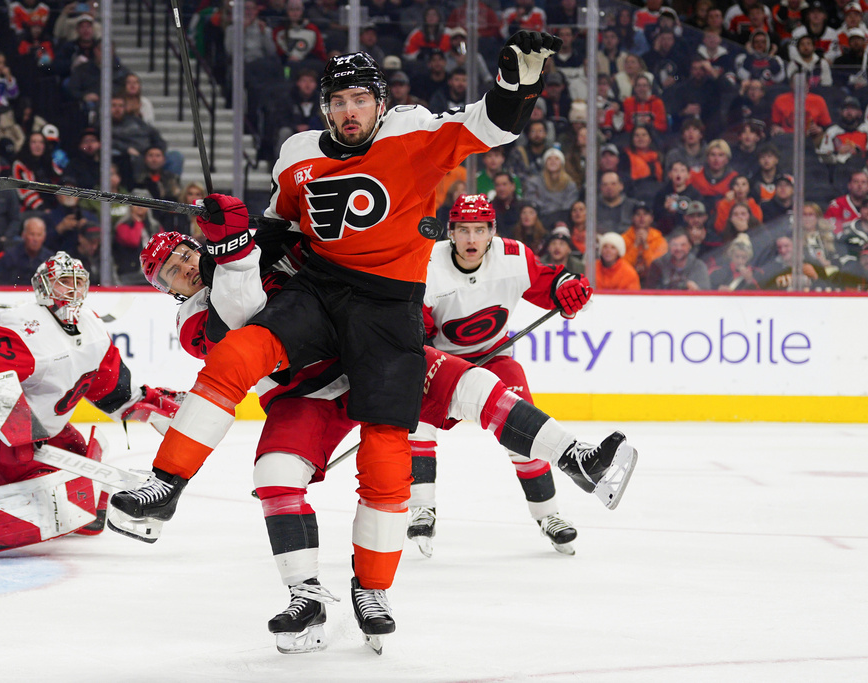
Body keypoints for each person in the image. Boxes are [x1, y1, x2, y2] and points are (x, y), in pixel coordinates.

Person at [106, 36, 618, 650]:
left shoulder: (411, 132)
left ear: (379, 103)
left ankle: (376, 586)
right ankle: (185, 499)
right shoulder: (286, 172)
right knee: (263, 434)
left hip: (381, 317)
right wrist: (236, 246)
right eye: (338, 101)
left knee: (408, 444)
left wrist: (517, 89)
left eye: (359, 99)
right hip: (315, 340)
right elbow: (264, 262)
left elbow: (487, 125)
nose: (349, 111)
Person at [137, 224, 634, 652]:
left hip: (370, 352)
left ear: (196, 246)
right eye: (172, 272)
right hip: (305, 394)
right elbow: (234, 322)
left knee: (475, 387)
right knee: (275, 473)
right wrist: (234, 258)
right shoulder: (192, 319)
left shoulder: (261, 247)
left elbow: (324, 240)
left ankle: (577, 458)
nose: (185, 268)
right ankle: (305, 595)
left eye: (184, 255)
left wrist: (265, 234)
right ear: (169, 290)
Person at [0, 252, 183, 563]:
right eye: (64, 282)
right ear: (44, 287)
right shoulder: (21, 325)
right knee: (50, 496)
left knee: (78, 460)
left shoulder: (92, 326)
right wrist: (17, 433)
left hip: (42, 425)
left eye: (78, 282)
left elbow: (111, 388)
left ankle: (81, 511)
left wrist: (152, 404)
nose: (73, 289)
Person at [411, 195, 587, 557]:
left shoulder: (514, 257)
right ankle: (421, 508)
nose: (471, 239)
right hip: (442, 362)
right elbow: (418, 333)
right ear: (450, 232)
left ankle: (548, 514)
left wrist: (567, 288)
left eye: (479, 230)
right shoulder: (428, 265)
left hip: (495, 358)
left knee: (523, 429)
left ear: (492, 231)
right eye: (463, 230)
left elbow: (549, 283)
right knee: (418, 426)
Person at [0, 216, 54, 286]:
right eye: (32, 234)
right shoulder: (10, 256)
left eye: (39, 235)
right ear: (23, 235)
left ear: (44, 237)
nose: (35, 239)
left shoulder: (50, 260)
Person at [645, 229, 711, 290]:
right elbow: (650, 293)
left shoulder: (699, 266)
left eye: (683, 245)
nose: (679, 248)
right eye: (674, 245)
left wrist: (696, 290)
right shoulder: (658, 265)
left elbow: (706, 294)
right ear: (669, 246)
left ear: (690, 245)